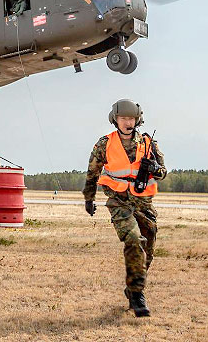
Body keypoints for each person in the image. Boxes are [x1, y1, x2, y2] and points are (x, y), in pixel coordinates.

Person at [83, 98, 167, 317]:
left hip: (143, 204)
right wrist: (89, 198)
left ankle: (132, 288)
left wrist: (154, 167)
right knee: (134, 240)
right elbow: (93, 172)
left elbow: (163, 173)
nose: (127, 122)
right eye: (123, 118)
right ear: (115, 119)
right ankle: (137, 295)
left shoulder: (148, 144)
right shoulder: (105, 143)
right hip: (118, 201)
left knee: (147, 247)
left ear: (137, 120)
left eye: (131, 118)